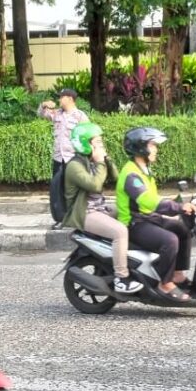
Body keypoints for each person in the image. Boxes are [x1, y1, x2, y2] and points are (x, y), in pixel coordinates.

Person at [62, 123, 143, 294]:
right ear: (85, 144)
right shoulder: (74, 166)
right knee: (119, 231)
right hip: (85, 213)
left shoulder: (92, 161)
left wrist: (107, 160)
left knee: (135, 212)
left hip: (100, 208)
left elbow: (117, 178)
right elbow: (95, 185)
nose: (100, 145)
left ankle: (136, 260)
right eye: (96, 142)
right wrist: (100, 162)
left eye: (100, 142)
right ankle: (122, 278)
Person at [116, 127, 195, 301]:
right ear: (141, 147)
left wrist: (180, 203)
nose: (156, 149)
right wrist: (177, 207)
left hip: (148, 218)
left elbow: (153, 199)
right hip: (134, 223)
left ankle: (177, 275)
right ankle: (165, 284)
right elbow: (148, 201)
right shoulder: (131, 174)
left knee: (182, 230)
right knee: (170, 240)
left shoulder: (143, 169)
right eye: (153, 145)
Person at [38, 88, 89, 176]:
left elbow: (88, 137)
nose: (59, 99)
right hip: (58, 158)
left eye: (62, 97)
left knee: (71, 188)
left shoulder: (80, 116)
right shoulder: (57, 113)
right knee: (57, 187)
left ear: (70, 99)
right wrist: (44, 104)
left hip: (73, 159)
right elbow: (41, 114)